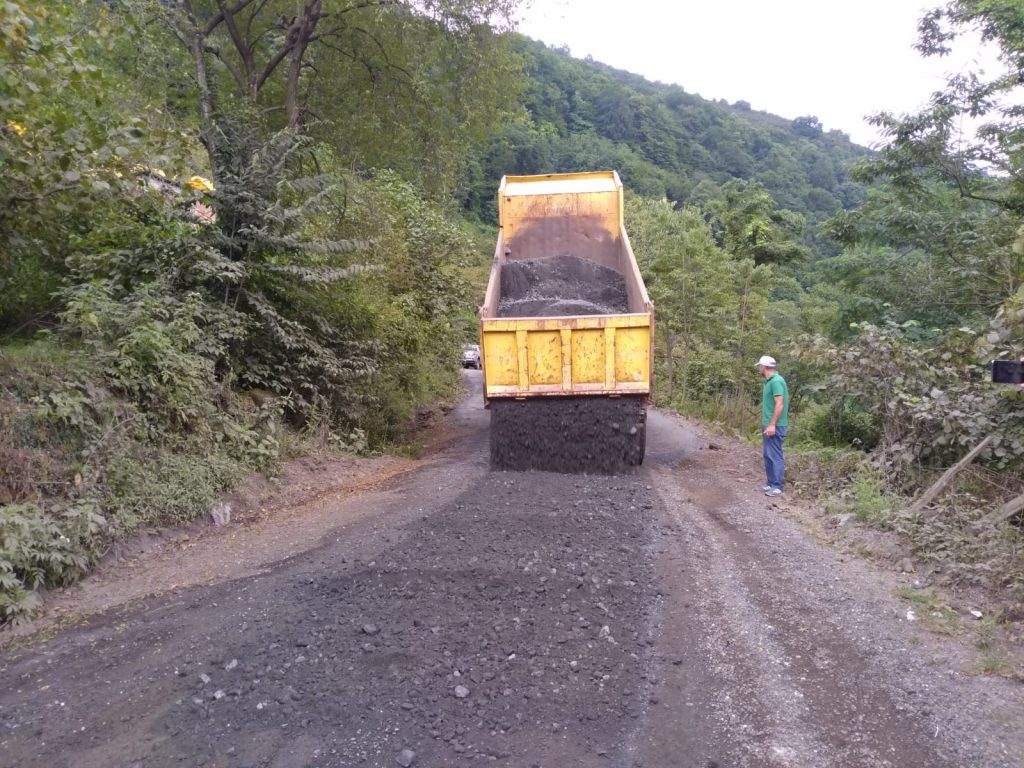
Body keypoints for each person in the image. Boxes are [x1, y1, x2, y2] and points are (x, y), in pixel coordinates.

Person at [757, 355, 790, 497]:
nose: (759, 368)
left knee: (775, 455)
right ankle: (770, 483)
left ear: (764, 367)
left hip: (775, 425)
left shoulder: (776, 381)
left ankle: (777, 486)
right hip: (768, 424)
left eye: (760, 366)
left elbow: (779, 404)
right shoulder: (769, 381)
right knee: (767, 454)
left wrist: (772, 425)